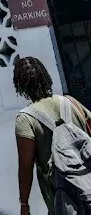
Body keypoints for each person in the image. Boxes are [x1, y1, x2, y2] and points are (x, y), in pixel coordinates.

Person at [14, 57, 91, 215]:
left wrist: (24, 203)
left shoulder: (26, 119)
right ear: (45, 76)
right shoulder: (72, 102)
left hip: (63, 194)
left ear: (20, 85)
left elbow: (25, 166)